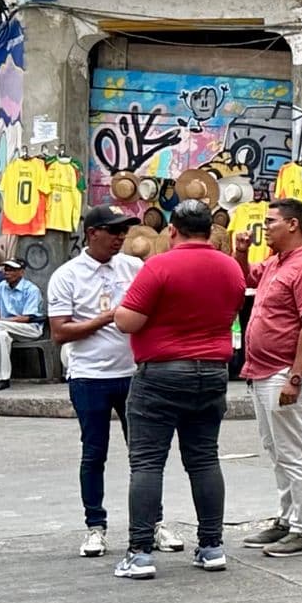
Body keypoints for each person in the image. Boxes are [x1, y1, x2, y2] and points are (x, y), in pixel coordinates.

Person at [110, 200, 248, 579]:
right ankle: (211, 546)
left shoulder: (159, 265)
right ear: (209, 230)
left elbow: (129, 321)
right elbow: (231, 310)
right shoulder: (230, 268)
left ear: (173, 230)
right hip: (212, 373)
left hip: (161, 375)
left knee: (148, 463)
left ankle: (139, 554)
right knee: (204, 459)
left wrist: (118, 310)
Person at [47, 206, 176, 558]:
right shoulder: (67, 275)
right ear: (92, 234)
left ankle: (154, 524)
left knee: (145, 455)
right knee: (94, 453)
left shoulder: (134, 268)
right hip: (89, 377)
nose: (121, 237)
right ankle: (95, 526)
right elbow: (60, 332)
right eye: (114, 231)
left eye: (125, 231)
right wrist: (107, 318)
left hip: (134, 375)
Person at [236, 198, 302, 558]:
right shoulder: (278, 262)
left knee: (293, 451)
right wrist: (241, 252)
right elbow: (246, 278)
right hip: (262, 370)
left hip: (284, 371)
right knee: (277, 450)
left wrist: (295, 377)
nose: (265, 228)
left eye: (271, 221)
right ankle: (287, 519)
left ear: (293, 225)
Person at [0, 253, 44, 390]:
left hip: (29, 329)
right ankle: (4, 378)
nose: (7, 272)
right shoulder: (1, 287)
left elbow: (26, 318)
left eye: (12, 269)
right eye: (6, 269)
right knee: (0, 336)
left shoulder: (31, 290)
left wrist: (1, 320)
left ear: (21, 272)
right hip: (6, 328)